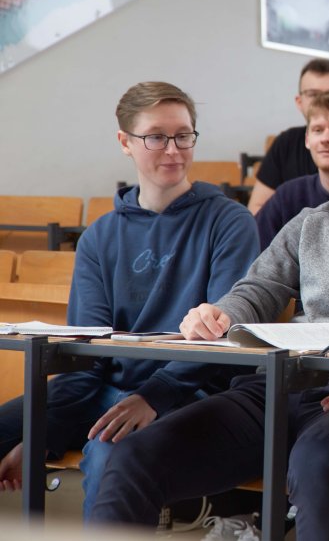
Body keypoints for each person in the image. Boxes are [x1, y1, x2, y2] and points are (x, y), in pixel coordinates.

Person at [90, 82, 329, 540]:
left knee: (318, 460)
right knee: (136, 458)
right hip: (275, 391)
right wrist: (221, 314)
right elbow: (257, 290)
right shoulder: (311, 224)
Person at [0, 82, 259, 518]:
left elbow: (224, 342)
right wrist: (43, 433)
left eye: (184, 135)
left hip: (189, 394)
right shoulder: (100, 236)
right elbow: (86, 355)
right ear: (125, 142)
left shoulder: (229, 222)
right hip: (105, 389)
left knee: (108, 455)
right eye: (156, 136)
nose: (173, 149)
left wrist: (153, 396)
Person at [255, 90, 329, 248]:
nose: (325, 139)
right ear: (308, 139)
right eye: (318, 130)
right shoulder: (286, 197)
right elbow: (257, 260)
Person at [247, 58, 329, 215]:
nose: (323, 102)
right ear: (299, 102)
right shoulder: (286, 144)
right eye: (314, 95)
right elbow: (258, 209)